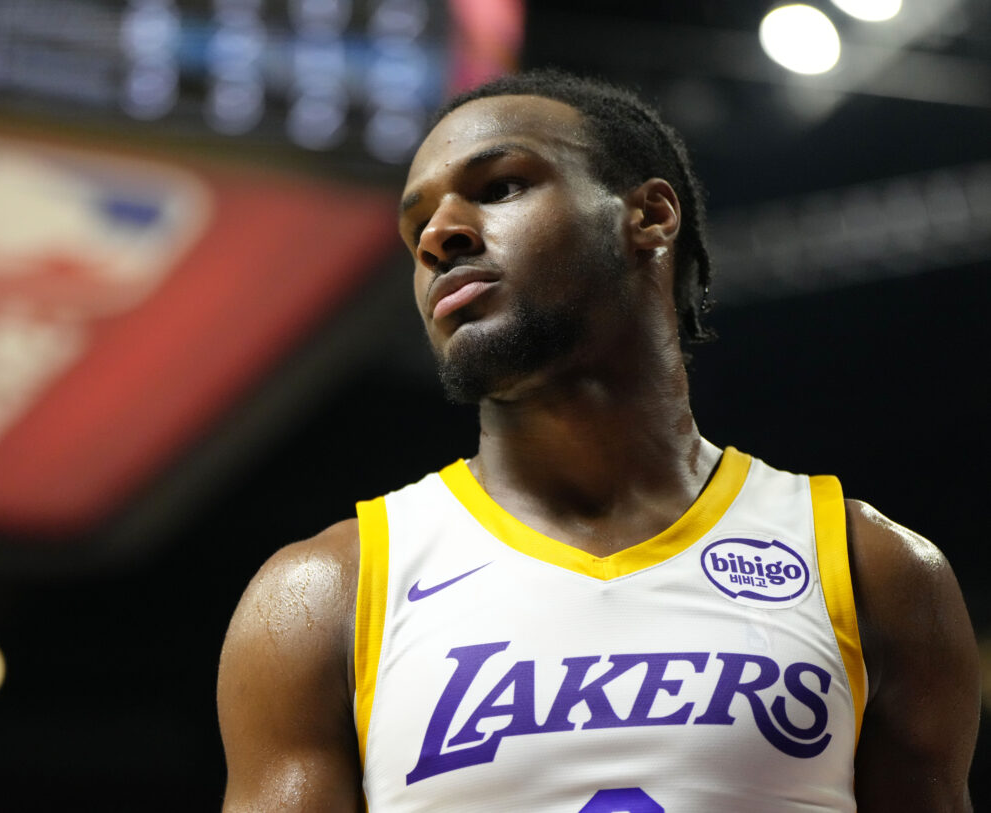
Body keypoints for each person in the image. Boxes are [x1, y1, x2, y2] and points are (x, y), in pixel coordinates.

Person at [216, 69, 980, 811]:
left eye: (500, 187)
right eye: (418, 226)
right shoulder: (326, 595)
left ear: (649, 216)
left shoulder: (867, 565)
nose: (439, 236)